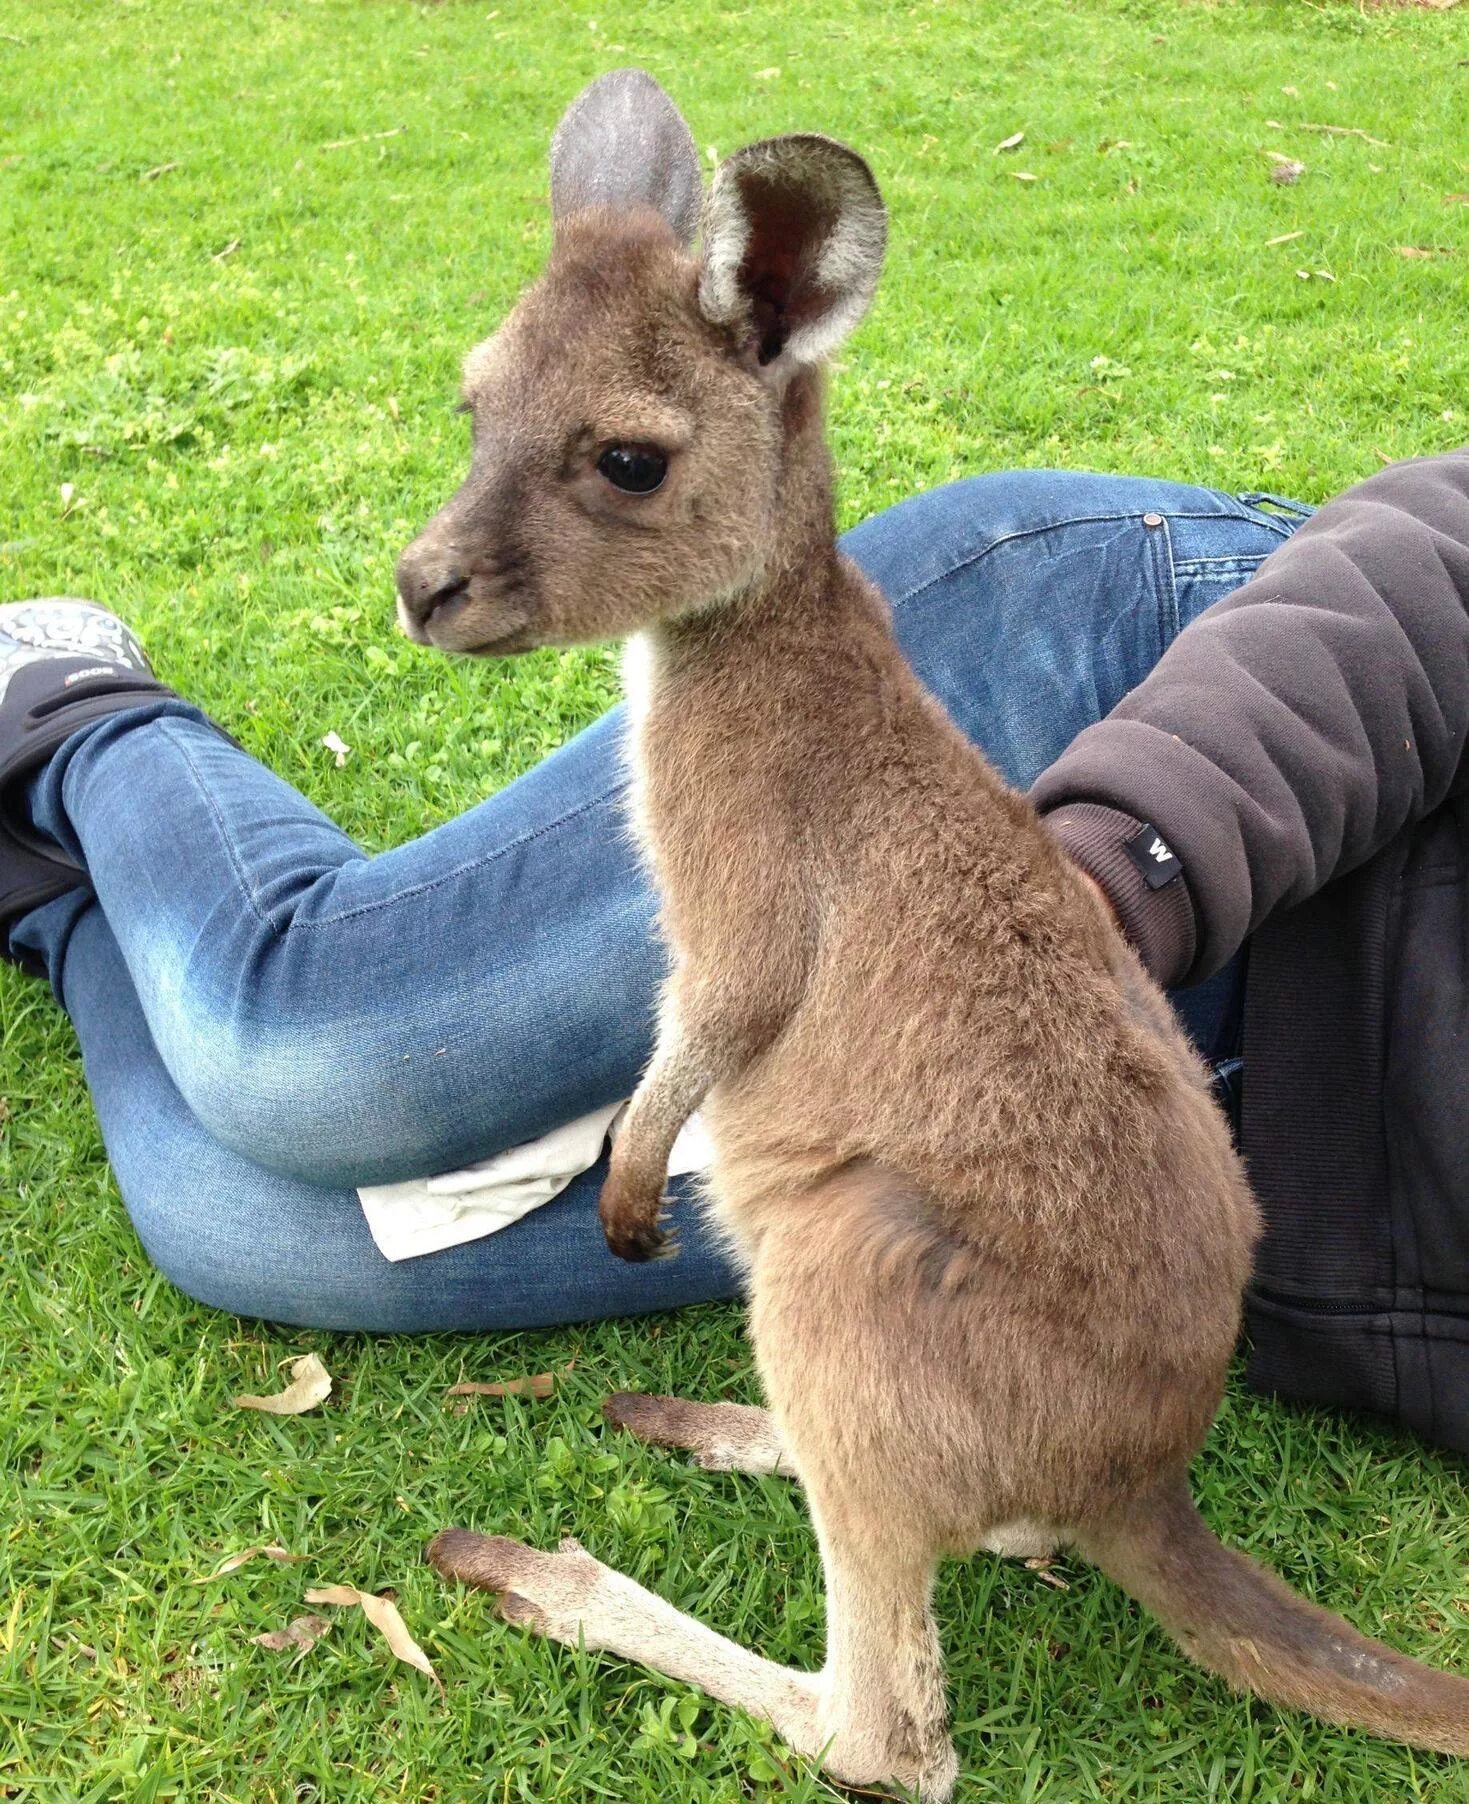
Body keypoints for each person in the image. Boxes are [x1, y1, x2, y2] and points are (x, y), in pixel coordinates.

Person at [3, 454, 1466, 1457]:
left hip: (1175, 1144)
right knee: (310, 1055)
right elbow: (1440, 545)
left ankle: (54, 894)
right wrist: (1109, 876)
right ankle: (78, 707)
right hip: (1185, 735)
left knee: (235, 1221)